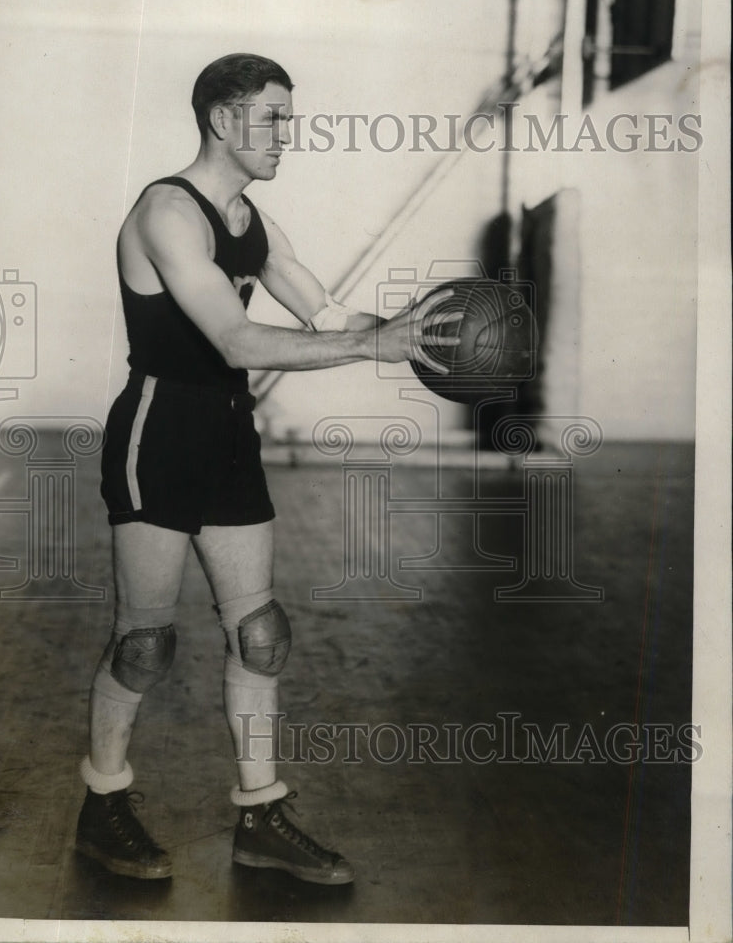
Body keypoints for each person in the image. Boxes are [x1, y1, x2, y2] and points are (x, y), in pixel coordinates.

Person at [76, 53, 458, 886]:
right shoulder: (166, 213)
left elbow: (325, 312)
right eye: (275, 117)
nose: (291, 133)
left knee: (262, 632)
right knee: (145, 642)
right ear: (223, 119)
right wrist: (365, 343)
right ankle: (102, 799)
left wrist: (418, 330)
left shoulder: (251, 218)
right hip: (158, 429)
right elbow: (237, 341)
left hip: (225, 431)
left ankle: (261, 815)